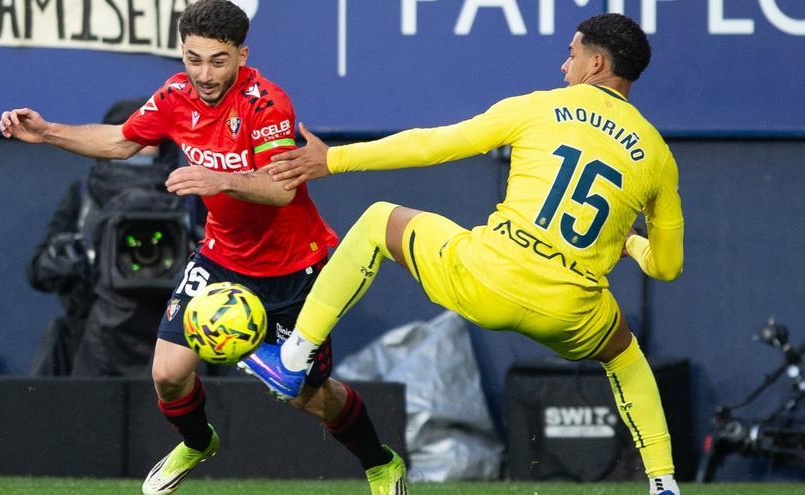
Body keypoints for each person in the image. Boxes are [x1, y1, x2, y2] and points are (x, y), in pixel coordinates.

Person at [239, 13, 684, 495]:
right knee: (626, 357)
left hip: (488, 279)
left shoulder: (540, 108)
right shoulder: (659, 156)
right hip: (570, 311)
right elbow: (667, 267)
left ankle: (295, 357)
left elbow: (434, 145)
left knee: (376, 222)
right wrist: (630, 243)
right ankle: (662, 482)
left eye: (572, 54)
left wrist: (335, 159)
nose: (564, 66)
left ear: (597, 62)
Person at [0, 1, 406, 494]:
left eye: (218, 59)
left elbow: (280, 189)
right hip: (221, 257)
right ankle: (197, 441)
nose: (204, 73)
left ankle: (380, 462)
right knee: (167, 374)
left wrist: (218, 178)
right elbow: (122, 142)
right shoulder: (174, 94)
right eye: (193, 58)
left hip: (295, 267)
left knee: (306, 395)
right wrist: (47, 133)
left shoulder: (267, 102)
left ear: (242, 54)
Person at [27, 98, 181, 377]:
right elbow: (38, 271)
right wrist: (64, 261)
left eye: (147, 135)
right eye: (128, 135)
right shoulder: (84, 195)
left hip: (171, 336)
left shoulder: (188, 191)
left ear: (164, 142)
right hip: (90, 333)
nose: (136, 146)